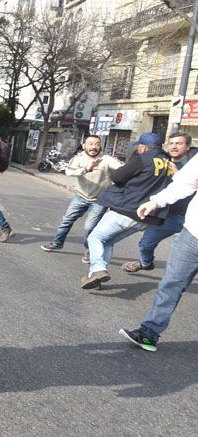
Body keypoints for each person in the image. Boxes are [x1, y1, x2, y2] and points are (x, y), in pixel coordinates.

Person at [119, 152, 198, 352]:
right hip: (193, 234)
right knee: (171, 283)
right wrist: (156, 202)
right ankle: (149, 333)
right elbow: (185, 182)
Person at [81, 132, 172, 289]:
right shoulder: (168, 162)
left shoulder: (142, 158)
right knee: (107, 241)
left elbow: (117, 176)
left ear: (143, 147)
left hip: (128, 209)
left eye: (139, 146)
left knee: (94, 237)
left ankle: (97, 269)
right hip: (149, 218)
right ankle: (94, 278)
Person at [40, 135, 122, 261]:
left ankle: (89, 250)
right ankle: (57, 243)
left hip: (99, 199)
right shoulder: (78, 158)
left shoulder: (106, 159)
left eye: (97, 144)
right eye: (90, 144)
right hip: (80, 196)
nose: (94, 147)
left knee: (90, 227)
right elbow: (69, 172)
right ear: (84, 145)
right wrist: (86, 169)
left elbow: (123, 169)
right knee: (66, 221)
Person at [122, 133, 194, 273]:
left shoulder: (192, 165)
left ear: (187, 147)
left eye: (179, 143)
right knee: (145, 244)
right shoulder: (161, 160)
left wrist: (178, 174)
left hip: (189, 216)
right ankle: (145, 263)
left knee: (182, 258)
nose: (174, 146)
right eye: (171, 143)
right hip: (168, 215)